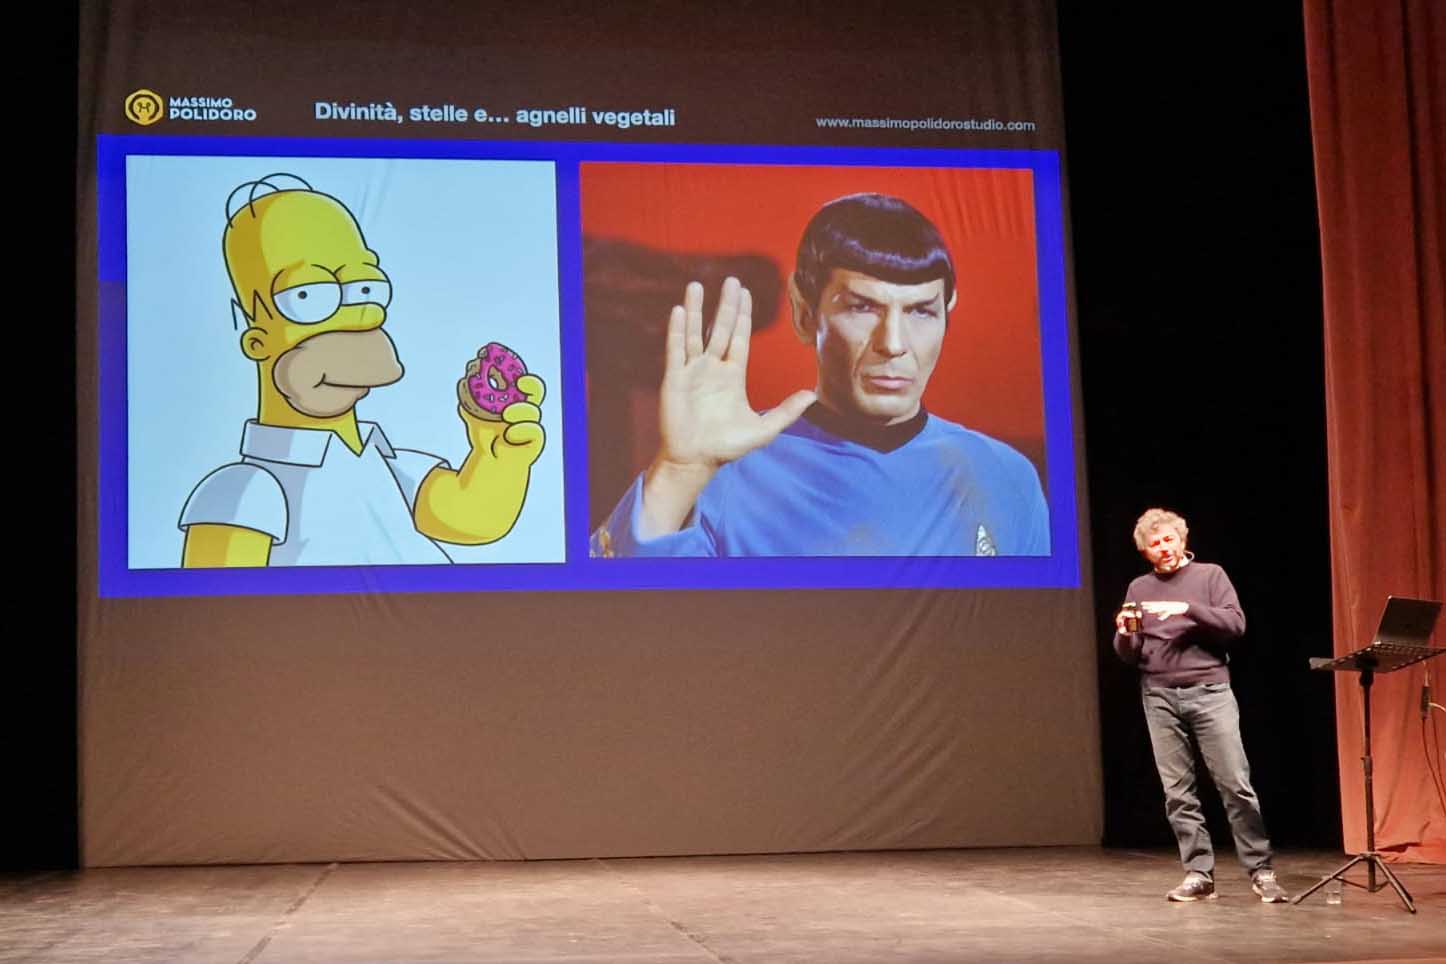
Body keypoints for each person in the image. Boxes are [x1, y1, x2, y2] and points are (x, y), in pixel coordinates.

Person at [590, 192, 1048, 558]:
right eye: (862, 307)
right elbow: (624, 621)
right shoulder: (720, 474)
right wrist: (678, 472)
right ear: (805, 314)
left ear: (948, 312)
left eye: (920, 311)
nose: (894, 343)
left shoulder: (1007, 478)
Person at [179, 174, 545, 567]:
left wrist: (498, 455)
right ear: (256, 340)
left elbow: (471, 519)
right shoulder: (244, 493)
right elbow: (217, 599)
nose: (357, 318)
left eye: (365, 288)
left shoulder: (389, 464)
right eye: (308, 295)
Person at [1113, 508, 1287, 902]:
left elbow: (1235, 625)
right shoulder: (1139, 587)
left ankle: (1261, 870)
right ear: (1145, 551)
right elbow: (1130, 653)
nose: (1164, 548)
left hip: (1210, 691)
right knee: (1178, 792)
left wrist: (1188, 609)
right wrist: (1123, 634)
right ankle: (1198, 873)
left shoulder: (1210, 576)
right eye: (1155, 544)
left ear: (1182, 540)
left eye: (1169, 539)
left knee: (1235, 784)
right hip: (1159, 695)